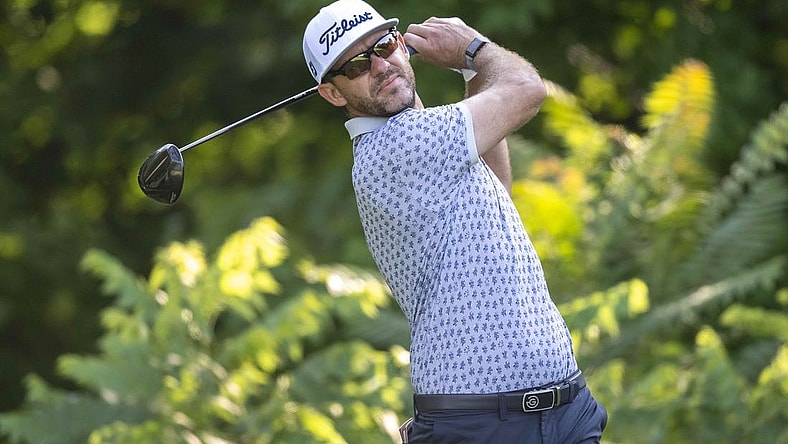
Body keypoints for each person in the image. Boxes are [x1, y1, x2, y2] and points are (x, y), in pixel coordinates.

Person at [302, 0, 608, 442]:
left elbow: (497, 185)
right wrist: (473, 49)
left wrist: (471, 73)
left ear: (403, 47)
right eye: (355, 66)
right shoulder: (397, 148)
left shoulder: (435, 141)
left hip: (564, 410)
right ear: (332, 93)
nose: (380, 65)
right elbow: (527, 89)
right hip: (482, 423)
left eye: (385, 45)